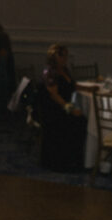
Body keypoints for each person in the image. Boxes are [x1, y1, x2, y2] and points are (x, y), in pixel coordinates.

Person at [36, 44, 86, 172]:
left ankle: (73, 158)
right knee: (79, 122)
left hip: (61, 107)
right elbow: (54, 96)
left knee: (82, 120)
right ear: (55, 56)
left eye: (66, 56)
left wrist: (91, 89)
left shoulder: (64, 70)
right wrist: (70, 109)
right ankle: (65, 160)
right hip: (53, 111)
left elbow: (73, 85)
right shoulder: (50, 73)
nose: (65, 59)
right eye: (62, 56)